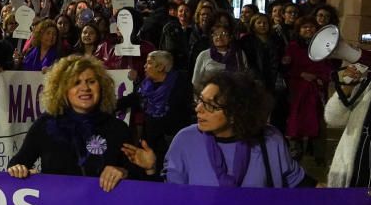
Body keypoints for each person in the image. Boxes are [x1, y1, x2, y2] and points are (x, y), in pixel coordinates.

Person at [124, 71, 313, 187]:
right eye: (199, 101)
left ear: (236, 112)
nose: (198, 109)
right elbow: (171, 198)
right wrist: (150, 170)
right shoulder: (185, 140)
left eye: (210, 106)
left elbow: (298, 184)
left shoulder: (270, 138)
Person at [6, 55, 132, 191]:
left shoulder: (118, 128)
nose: (85, 88)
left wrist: (125, 172)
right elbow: (18, 163)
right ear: (62, 90)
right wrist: (19, 170)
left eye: (91, 81)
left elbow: (136, 176)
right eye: (76, 83)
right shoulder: (46, 124)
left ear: (101, 87)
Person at [117, 51, 193, 173]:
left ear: (161, 67)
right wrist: (108, 106)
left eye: (149, 63)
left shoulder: (180, 84)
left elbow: (181, 114)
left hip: (172, 143)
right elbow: (132, 99)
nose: (144, 66)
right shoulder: (146, 85)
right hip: (150, 143)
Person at [283, 16, 333, 159]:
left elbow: (327, 67)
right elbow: (287, 67)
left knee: (317, 120)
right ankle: (295, 150)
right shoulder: (293, 46)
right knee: (296, 120)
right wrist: (301, 74)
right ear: (299, 30)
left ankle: (317, 153)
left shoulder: (323, 45)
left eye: (311, 27)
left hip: (316, 89)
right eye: (304, 27)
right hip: (298, 89)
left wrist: (318, 78)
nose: (308, 29)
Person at [192, 24, 250, 89]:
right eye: (215, 34)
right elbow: (196, 81)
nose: (219, 37)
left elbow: (245, 77)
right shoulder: (204, 55)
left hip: (234, 94)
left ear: (230, 37)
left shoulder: (239, 54)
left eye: (223, 33)